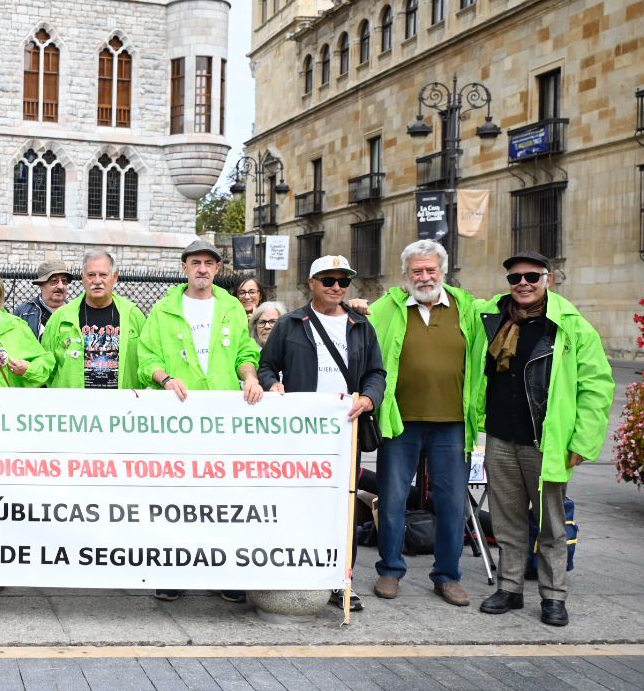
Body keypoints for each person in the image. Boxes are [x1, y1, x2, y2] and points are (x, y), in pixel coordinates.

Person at [475, 251, 614, 627]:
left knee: (551, 524)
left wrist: (582, 443)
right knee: (507, 522)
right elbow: (443, 294)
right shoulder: (491, 316)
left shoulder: (570, 326)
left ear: (547, 279)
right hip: (501, 438)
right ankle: (510, 588)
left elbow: (597, 387)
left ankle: (554, 596)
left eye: (531, 277)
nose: (523, 283)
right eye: (515, 277)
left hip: (545, 442)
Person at [138, 237, 265, 602]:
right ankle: (173, 572)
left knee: (221, 498)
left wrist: (250, 376)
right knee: (177, 498)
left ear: (218, 269)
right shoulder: (163, 310)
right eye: (195, 263)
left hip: (222, 420)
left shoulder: (230, 307)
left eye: (209, 263)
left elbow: (244, 351)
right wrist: (165, 378)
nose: (202, 269)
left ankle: (224, 573)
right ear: (184, 268)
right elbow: (147, 359)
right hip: (179, 419)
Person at [259, 255, 387, 612]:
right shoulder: (290, 324)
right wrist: (273, 386)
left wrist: (369, 398)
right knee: (301, 503)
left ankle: (341, 580)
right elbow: (267, 366)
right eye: (328, 280)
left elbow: (377, 373)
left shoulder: (362, 326)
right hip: (301, 434)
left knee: (343, 507)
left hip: (345, 433)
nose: (336, 287)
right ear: (311, 283)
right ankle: (299, 571)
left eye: (343, 281)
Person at [365, 241, 485, 607]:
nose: (424, 277)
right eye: (417, 271)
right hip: (400, 420)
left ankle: (448, 576)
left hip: (451, 421)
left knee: (450, 503)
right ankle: (389, 570)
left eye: (431, 270)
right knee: (393, 500)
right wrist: (354, 306)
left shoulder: (466, 307)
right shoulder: (389, 306)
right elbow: (359, 320)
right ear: (406, 275)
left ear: (443, 271)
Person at [42, 250, 146, 389]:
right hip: (76, 406)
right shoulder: (61, 317)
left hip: (122, 407)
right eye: (91, 275)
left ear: (115, 277)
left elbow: (146, 361)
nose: (97, 281)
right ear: (83, 278)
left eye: (103, 275)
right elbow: (47, 366)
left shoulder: (133, 315)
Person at [12, 259, 73, 340]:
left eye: (64, 281)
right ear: (41, 284)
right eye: (54, 281)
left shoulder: (75, 312)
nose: (60, 286)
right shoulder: (23, 313)